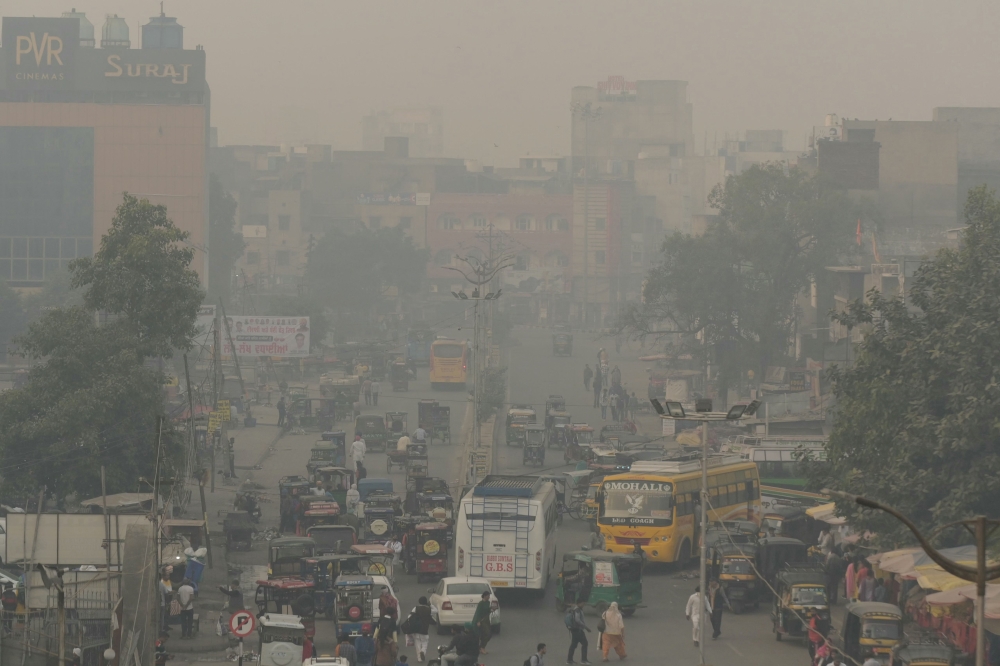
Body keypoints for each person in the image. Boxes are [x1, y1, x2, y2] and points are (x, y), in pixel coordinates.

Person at [409, 596, 436, 662]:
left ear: (419, 601)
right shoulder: (428, 610)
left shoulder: (416, 608)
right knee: (425, 643)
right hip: (424, 630)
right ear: (426, 602)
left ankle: (419, 658)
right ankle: (423, 652)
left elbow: (409, 616)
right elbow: (436, 611)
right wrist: (431, 605)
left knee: (417, 644)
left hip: (416, 630)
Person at [566, 600, 591, 665]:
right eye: (583, 603)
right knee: (585, 643)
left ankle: (569, 660)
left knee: (573, 645)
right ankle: (583, 660)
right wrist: (586, 627)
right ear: (579, 603)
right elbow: (577, 620)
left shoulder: (575, 609)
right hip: (578, 630)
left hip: (574, 630)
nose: (584, 604)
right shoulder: (577, 610)